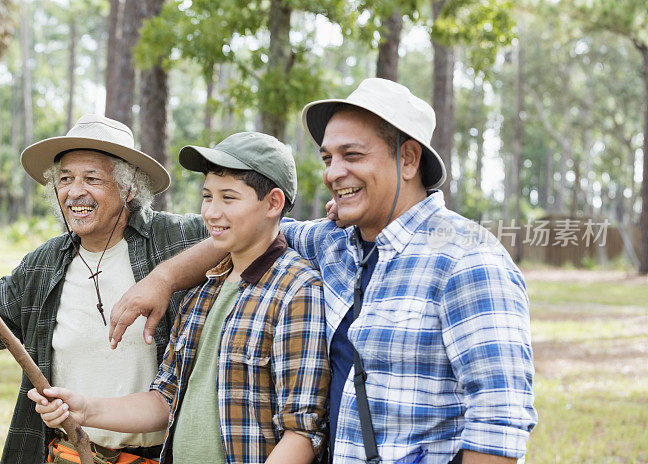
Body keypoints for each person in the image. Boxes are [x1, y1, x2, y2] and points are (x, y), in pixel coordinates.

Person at [107, 79, 538, 464]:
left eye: (353, 155)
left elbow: (499, 420)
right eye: (328, 157)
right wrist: (163, 280)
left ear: (408, 159)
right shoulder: (333, 242)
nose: (334, 173)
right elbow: (246, 232)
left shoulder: (469, 259)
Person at [28, 132, 331, 464]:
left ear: (273, 203)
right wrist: (85, 408)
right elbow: (164, 400)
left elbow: (301, 432)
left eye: (228, 198)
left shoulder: (296, 290)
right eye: (207, 196)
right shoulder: (201, 293)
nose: (212, 213)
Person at [0, 114, 209, 464]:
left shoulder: (179, 239)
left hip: (159, 455)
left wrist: (165, 277)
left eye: (92, 178)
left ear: (129, 188)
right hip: (67, 455)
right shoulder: (45, 263)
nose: (74, 191)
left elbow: (250, 233)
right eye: (65, 179)